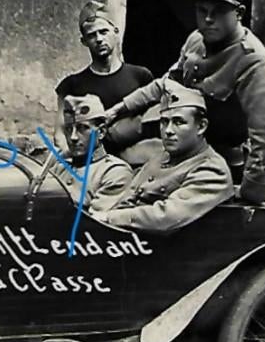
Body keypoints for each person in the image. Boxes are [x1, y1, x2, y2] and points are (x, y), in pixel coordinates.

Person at [105, 0, 265, 205]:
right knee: (112, 140)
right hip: (179, 142)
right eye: (202, 10)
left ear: (239, 13)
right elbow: (167, 82)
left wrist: (251, 193)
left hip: (215, 161)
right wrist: (120, 108)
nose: (208, 19)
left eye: (218, 12)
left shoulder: (252, 61)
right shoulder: (196, 40)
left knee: (136, 176)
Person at [91, 81, 233, 234]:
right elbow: (129, 196)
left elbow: (167, 215)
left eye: (179, 122)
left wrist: (111, 218)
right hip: (131, 239)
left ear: (201, 126)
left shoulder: (212, 170)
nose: (168, 130)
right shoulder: (161, 158)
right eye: (164, 122)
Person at [55, 0, 154, 158]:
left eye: (103, 32)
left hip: (136, 161)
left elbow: (152, 122)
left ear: (116, 32)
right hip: (91, 163)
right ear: (84, 41)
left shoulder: (140, 76)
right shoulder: (71, 85)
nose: (99, 39)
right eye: (92, 35)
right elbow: (60, 134)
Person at [53, 95, 133, 212]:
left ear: (101, 132)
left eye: (82, 128)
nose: (73, 137)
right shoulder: (59, 168)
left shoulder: (115, 173)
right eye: (69, 129)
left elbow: (94, 220)